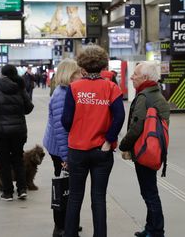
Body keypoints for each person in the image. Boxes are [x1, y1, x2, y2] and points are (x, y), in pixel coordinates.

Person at [61, 45, 125, 237]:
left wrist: (78, 130)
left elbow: (65, 120)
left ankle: (70, 234)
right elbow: (119, 117)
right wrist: (109, 140)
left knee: (74, 197)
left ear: (82, 68)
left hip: (77, 151)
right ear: (103, 66)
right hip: (101, 151)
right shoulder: (111, 88)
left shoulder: (74, 88)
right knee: (98, 198)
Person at [119, 61, 170, 237]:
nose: (132, 77)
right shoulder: (158, 95)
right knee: (150, 190)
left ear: (145, 78)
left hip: (144, 151)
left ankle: (156, 231)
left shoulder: (143, 97)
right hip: (156, 149)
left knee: (149, 193)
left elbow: (136, 127)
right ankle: (150, 228)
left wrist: (123, 145)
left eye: (136, 74)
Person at [0, 64, 34, 201]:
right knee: (18, 159)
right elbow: (29, 108)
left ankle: (8, 192)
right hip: (19, 131)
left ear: (2, 74)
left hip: (1, 132)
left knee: (3, 161)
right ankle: (22, 189)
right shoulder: (20, 88)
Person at [42, 58, 82, 237]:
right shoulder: (62, 95)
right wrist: (66, 158)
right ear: (69, 74)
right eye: (77, 73)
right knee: (62, 188)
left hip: (61, 148)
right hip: (59, 149)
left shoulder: (69, 91)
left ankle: (69, 222)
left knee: (68, 187)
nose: (81, 76)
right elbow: (60, 130)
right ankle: (60, 227)